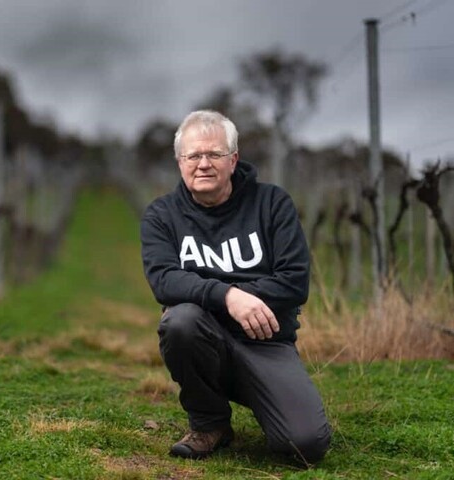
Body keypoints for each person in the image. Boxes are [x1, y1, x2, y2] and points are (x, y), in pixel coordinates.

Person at [140, 110, 331, 465]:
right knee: (180, 321)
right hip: (202, 337)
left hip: (265, 340)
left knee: (306, 445)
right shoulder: (162, 215)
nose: (203, 164)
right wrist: (229, 296)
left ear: (233, 159)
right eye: (193, 155)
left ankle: (264, 394)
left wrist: (240, 300)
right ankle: (209, 423)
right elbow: (164, 281)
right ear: (180, 162)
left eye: (214, 154)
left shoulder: (272, 203)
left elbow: (294, 280)